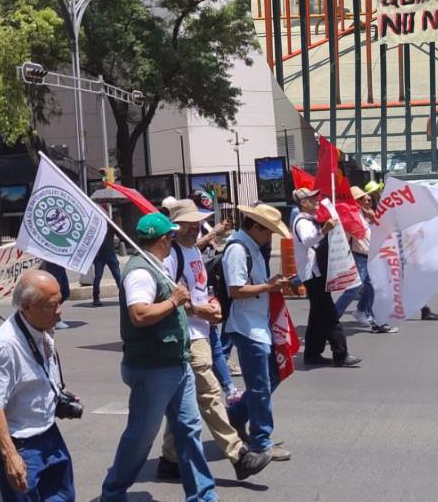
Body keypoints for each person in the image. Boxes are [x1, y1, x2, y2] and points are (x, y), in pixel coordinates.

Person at [100, 212, 217, 502]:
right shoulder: (141, 272)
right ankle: (113, 492)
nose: (174, 239)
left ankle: (203, 495)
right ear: (164, 239)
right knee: (141, 436)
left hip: (175, 362)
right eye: (171, 235)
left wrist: (187, 303)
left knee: (189, 429)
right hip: (153, 367)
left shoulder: (158, 265)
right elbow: (139, 314)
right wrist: (174, 300)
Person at [157, 200, 272, 482]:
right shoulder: (169, 256)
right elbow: (167, 299)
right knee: (208, 394)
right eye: (188, 224)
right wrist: (199, 310)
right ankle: (238, 455)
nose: (195, 228)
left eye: (197, 223)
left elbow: (198, 289)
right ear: (175, 225)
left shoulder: (193, 251)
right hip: (187, 333)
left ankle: (169, 459)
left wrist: (210, 302)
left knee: (183, 400)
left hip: (202, 331)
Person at [0, 270, 76, 502]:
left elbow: (39, 372)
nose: (59, 311)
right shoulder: (6, 345)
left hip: (49, 432)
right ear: (28, 306)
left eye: (59, 302)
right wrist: (9, 454)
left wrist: (57, 394)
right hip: (22, 443)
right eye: (52, 305)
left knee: (63, 497)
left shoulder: (41, 327)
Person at [224, 203, 293, 462]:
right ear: (255, 227)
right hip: (247, 327)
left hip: (258, 324)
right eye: (268, 232)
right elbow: (236, 289)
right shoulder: (238, 249)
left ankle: (238, 415)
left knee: (271, 377)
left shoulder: (251, 246)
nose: (270, 237)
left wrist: (270, 285)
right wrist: (268, 287)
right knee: (261, 386)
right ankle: (261, 441)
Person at [292, 189, 364, 365]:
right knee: (329, 315)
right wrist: (324, 230)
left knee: (317, 315)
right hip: (312, 274)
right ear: (303, 203)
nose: (316, 200)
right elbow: (308, 240)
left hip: (318, 272)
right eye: (311, 198)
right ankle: (340, 353)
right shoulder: (302, 222)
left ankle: (312, 353)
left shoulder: (312, 220)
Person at [336, 187, 395, 333]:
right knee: (354, 289)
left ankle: (370, 317)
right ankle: (331, 318)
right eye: (364, 199)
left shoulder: (363, 215)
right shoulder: (352, 217)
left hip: (370, 257)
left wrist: (372, 218)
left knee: (372, 287)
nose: (368, 202)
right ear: (356, 202)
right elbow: (345, 238)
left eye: (369, 200)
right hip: (359, 257)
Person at [90, 210, 123, 308]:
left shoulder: (110, 224)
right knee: (98, 277)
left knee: (118, 276)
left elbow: (120, 235)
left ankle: (123, 296)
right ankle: (96, 298)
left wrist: (118, 223)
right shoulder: (95, 226)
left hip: (111, 254)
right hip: (99, 256)